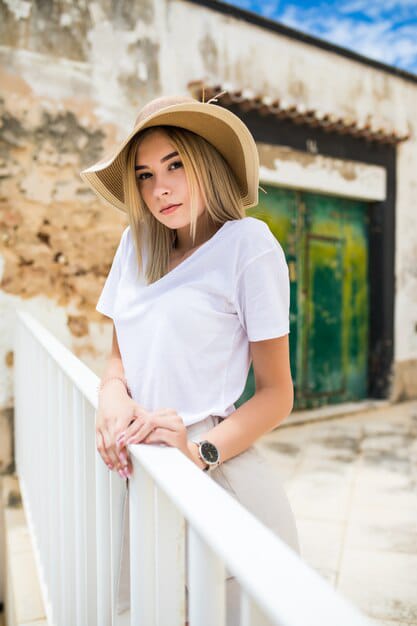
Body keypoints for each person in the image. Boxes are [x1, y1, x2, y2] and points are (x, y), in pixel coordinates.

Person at [80, 93, 300, 625]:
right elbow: (119, 359)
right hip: (138, 466)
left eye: (175, 165)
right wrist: (112, 398)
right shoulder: (135, 246)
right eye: (145, 175)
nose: (161, 188)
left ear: (205, 162)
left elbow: (277, 394)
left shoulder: (248, 245)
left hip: (212, 464)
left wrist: (197, 452)